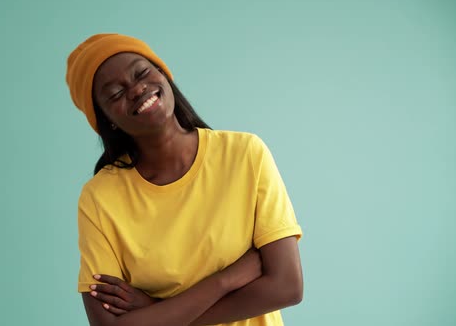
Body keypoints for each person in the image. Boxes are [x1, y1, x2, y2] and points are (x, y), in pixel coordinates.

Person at [66, 33, 304, 326]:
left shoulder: (244, 154)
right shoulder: (100, 197)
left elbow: (287, 287)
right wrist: (224, 281)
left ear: (164, 74)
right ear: (106, 119)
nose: (137, 89)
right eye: (115, 93)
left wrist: (157, 311)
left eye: (142, 73)